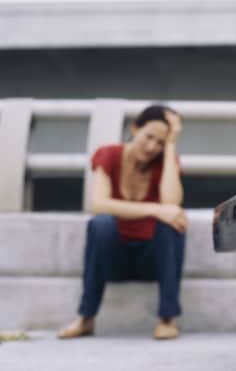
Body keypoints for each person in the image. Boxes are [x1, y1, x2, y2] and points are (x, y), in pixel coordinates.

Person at [58, 104, 187, 340]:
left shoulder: (166, 161)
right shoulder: (109, 154)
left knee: (171, 224)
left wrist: (171, 146)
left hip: (153, 259)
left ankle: (168, 319)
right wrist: (155, 209)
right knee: (101, 223)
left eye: (160, 142)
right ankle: (86, 318)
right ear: (134, 128)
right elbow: (98, 204)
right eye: (149, 137)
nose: (152, 147)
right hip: (113, 257)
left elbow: (172, 203)